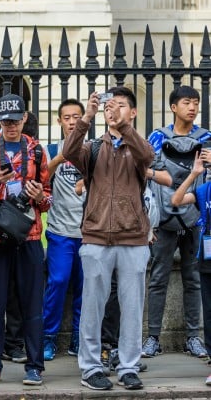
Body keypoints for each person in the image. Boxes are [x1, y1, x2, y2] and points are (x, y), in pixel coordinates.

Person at [64, 87, 153, 392]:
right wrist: (87, 116)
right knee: (92, 306)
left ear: (133, 112)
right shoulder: (92, 148)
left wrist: (123, 126)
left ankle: (128, 366)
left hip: (133, 239)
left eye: (120, 106)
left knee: (131, 306)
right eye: (108, 107)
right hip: (96, 237)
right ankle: (90, 368)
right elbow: (69, 151)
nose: (112, 111)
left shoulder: (137, 146)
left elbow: (148, 156)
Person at [0, 93, 51, 386]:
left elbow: (47, 199)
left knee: (32, 303)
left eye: (16, 120)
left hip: (29, 235)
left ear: (25, 118)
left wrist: (41, 197)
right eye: (6, 121)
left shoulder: (36, 150)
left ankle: (34, 365)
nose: (11, 127)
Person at [143, 85, 210, 359]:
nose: (192, 107)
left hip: (195, 218)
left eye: (195, 102)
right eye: (186, 102)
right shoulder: (157, 137)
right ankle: (153, 337)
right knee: (158, 278)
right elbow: (144, 171)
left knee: (193, 278)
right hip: (164, 217)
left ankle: (194, 337)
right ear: (173, 107)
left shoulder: (206, 138)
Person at [42, 99, 86, 360]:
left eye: (76, 117)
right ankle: (48, 337)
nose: (71, 122)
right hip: (60, 231)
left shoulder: (94, 149)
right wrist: (61, 157)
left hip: (89, 233)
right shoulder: (50, 150)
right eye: (67, 117)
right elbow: (40, 177)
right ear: (59, 121)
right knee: (57, 282)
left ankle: (79, 337)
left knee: (85, 288)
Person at [165, 149, 211, 385]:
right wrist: (194, 174)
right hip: (207, 261)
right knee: (210, 315)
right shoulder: (204, 191)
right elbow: (176, 200)